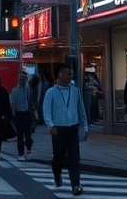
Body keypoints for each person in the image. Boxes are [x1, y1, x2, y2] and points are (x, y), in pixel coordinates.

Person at [42, 63, 88, 196]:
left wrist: (84, 127)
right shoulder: (51, 92)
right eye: (67, 73)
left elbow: (81, 110)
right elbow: (46, 110)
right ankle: (57, 174)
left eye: (71, 74)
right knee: (59, 157)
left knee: (74, 157)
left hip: (72, 128)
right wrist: (51, 126)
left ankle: (76, 184)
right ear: (60, 74)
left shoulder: (75, 91)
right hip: (58, 129)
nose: (70, 76)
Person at [10, 72, 34, 160]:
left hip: (27, 114)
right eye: (20, 78)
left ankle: (29, 149)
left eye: (23, 78)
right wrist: (13, 113)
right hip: (18, 114)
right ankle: (21, 153)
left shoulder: (29, 90)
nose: (21, 80)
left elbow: (31, 102)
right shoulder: (14, 90)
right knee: (20, 134)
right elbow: (12, 103)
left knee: (28, 134)